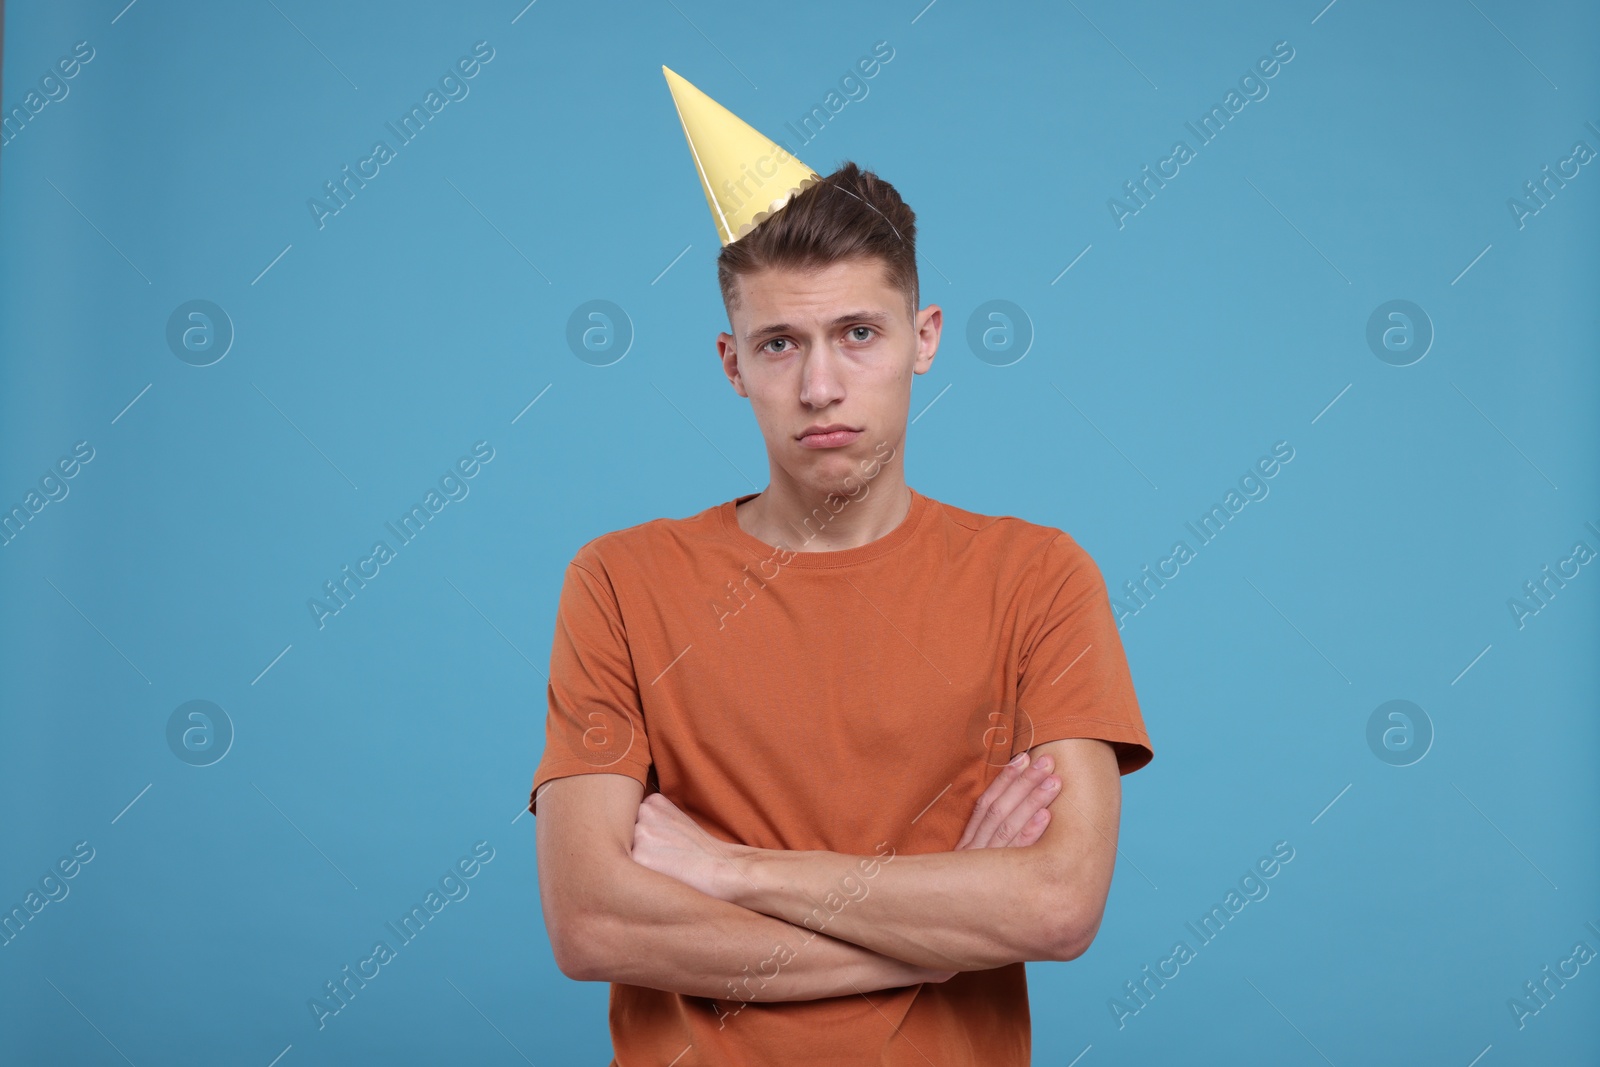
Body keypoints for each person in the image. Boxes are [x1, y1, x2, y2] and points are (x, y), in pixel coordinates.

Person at [526, 67, 1155, 1066]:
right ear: (732, 364)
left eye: (858, 333)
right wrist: (941, 935)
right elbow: (592, 923)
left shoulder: (1037, 577)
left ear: (924, 338)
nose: (820, 385)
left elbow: (1054, 902)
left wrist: (731, 869)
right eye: (780, 343)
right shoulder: (618, 581)